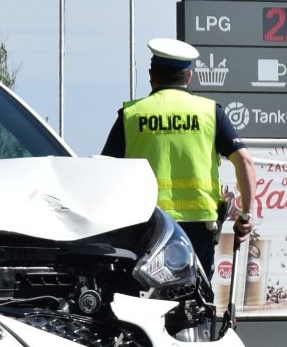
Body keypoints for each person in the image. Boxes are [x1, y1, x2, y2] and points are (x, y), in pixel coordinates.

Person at [101, 37, 257, 280]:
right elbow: (245, 161)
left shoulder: (131, 115)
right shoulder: (210, 112)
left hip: (147, 222)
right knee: (195, 295)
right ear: (189, 77)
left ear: (152, 74)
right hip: (199, 225)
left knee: (147, 293)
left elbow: (106, 170)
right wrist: (245, 216)